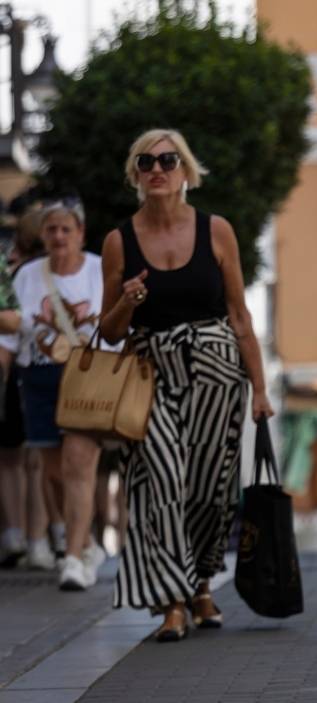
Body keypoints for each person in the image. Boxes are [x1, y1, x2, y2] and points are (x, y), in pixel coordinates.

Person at [98, 128, 273, 642]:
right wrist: (127, 301)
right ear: (135, 174)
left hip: (217, 372)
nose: (157, 169)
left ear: (186, 171)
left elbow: (239, 315)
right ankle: (172, 600)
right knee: (161, 482)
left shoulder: (216, 231)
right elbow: (109, 332)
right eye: (146, 161)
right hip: (149, 372)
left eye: (168, 161)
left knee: (209, 490)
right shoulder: (119, 241)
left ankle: (200, 584)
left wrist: (260, 389)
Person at [0, 200, 110, 590]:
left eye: (66, 229)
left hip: (87, 379)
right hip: (38, 378)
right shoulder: (27, 276)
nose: (59, 236)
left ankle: (73, 558)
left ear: (81, 233)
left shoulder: (99, 269)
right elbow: (9, 336)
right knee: (53, 472)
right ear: (43, 236)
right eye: (52, 230)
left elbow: (118, 326)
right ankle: (86, 543)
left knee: (79, 464)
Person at [0, 208, 44, 568]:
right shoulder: (19, 272)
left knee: (15, 459)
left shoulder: (13, 272)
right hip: (28, 368)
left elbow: (11, 323)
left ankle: (19, 533)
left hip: (18, 369)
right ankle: (37, 537)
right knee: (35, 460)